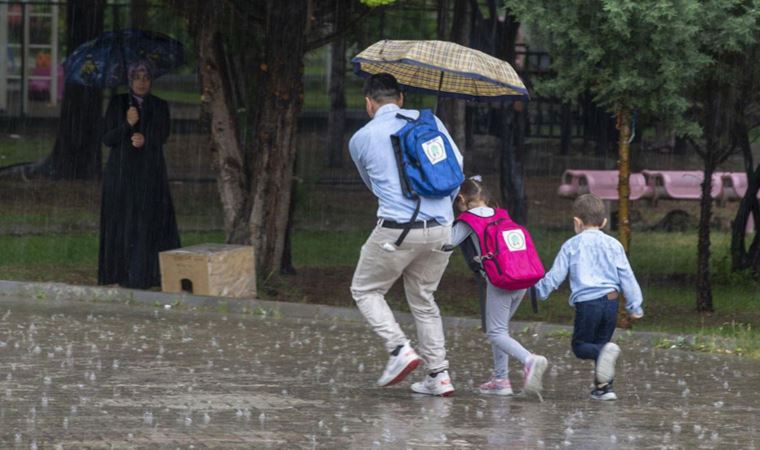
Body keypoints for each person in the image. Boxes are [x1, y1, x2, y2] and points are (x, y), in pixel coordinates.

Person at [349, 73, 463, 397]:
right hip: (443, 228)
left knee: (366, 289)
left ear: (369, 104)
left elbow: (372, 184)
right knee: (424, 300)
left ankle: (400, 349)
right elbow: (457, 169)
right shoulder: (431, 123)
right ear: (401, 98)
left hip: (397, 230)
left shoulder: (361, 138)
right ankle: (439, 375)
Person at [533, 193, 644, 401]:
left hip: (588, 304)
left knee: (581, 346)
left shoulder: (572, 245)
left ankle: (603, 360)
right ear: (603, 222)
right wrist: (635, 306)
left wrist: (539, 291)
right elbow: (627, 275)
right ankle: (604, 388)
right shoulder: (614, 245)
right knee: (602, 343)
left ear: (577, 222)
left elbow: (555, 276)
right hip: (611, 301)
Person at [449, 177, 548, 396]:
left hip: (499, 281)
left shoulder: (468, 220)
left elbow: (447, 242)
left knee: (496, 332)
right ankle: (501, 379)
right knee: (501, 330)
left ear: (462, 199)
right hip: (521, 277)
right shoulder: (502, 214)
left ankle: (530, 360)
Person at [98, 61, 180, 289]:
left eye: (146, 77)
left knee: (147, 221)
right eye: (137, 77)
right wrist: (127, 125)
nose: (142, 82)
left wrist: (146, 139)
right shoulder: (118, 103)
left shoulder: (159, 105)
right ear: (130, 80)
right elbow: (107, 139)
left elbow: (163, 134)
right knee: (123, 222)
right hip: (122, 173)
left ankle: (146, 274)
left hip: (149, 172)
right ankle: (120, 272)